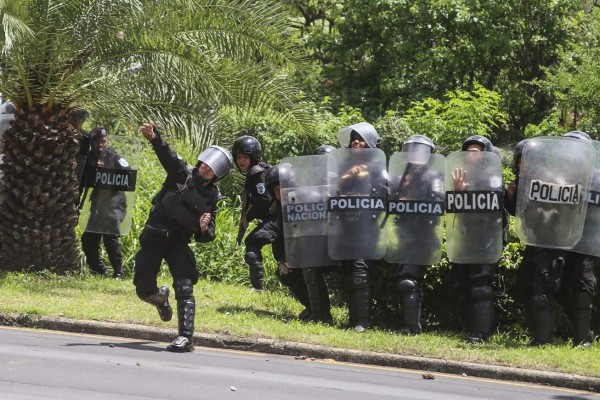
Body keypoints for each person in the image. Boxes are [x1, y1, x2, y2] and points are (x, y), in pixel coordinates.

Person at [134, 122, 233, 352]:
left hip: (178, 242)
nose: (206, 168)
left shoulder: (212, 198)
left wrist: (202, 228)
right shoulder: (181, 173)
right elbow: (167, 155)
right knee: (143, 288)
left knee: (185, 284)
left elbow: (208, 237)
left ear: (219, 174)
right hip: (154, 235)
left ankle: (185, 338)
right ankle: (160, 299)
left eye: (212, 168)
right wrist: (154, 137)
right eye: (206, 163)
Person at [507, 132, 597, 347]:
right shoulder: (551, 175)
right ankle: (546, 336)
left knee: (581, 292)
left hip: (584, 244)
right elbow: (528, 211)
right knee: (530, 286)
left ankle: (582, 338)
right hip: (550, 241)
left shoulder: (596, 178)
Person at [449, 135, 505, 343]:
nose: (471, 155)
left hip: (487, 238)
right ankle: (470, 328)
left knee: (481, 285)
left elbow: (495, 209)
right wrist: (458, 192)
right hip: (466, 238)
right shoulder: (459, 177)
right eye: (468, 151)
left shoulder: (493, 177)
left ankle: (482, 333)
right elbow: (453, 212)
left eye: (477, 151)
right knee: (461, 283)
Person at [330, 122, 385, 332]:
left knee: (360, 272)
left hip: (367, 227)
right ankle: (352, 319)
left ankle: (363, 321)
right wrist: (347, 176)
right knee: (346, 273)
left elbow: (387, 195)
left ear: (370, 143)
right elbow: (330, 192)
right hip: (345, 227)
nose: (356, 141)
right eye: (353, 138)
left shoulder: (378, 168)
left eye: (360, 138)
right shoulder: (343, 167)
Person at [390, 135, 444, 335]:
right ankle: (411, 323)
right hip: (403, 233)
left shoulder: (433, 177)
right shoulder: (400, 176)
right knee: (405, 279)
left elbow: (439, 203)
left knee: (408, 280)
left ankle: (412, 326)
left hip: (423, 234)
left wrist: (415, 198)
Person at [263, 164, 313, 320]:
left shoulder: (306, 203)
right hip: (295, 254)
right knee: (284, 272)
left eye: (284, 190)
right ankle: (311, 307)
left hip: (316, 252)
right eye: (277, 191)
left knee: (310, 270)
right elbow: (278, 239)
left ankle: (320, 310)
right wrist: (283, 261)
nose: (281, 194)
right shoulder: (276, 209)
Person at [79, 127, 129, 279]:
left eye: (102, 141)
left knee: (109, 236)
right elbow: (82, 181)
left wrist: (107, 170)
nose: (99, 145)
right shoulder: (89, 158)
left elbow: (127, 174)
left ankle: (118, 272)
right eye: (96, 141)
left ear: (107, 141)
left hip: (115, 202)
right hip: (98, 203)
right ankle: (99, 269)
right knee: (88, 239)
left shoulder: (112, 156)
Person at [232, 136, 273, 291]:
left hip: (276, 219)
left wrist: (248, 217)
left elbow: (264, 201)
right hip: (275, 219)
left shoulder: (257, 173)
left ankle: (258, 288)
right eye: (238, 157)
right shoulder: (255, 172)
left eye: (245, 157)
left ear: (253, 157)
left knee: (252, 243)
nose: (241, 161)